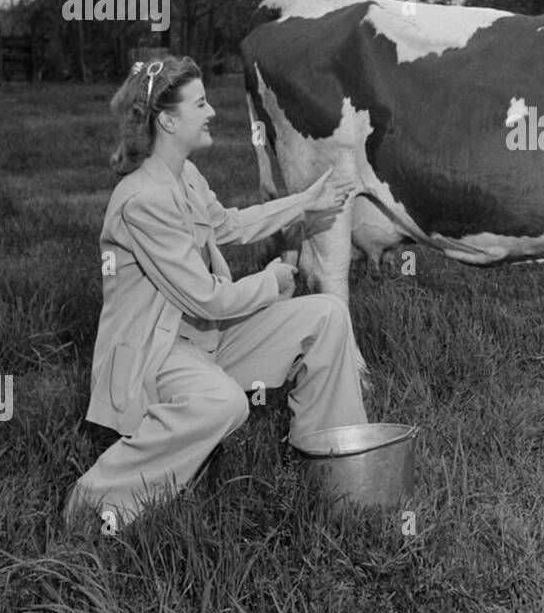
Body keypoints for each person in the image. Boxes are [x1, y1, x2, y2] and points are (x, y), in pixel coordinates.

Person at [65, 55, 369, 532]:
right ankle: (93, 505)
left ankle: (332, 467)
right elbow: (206, 298)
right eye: (200, 104)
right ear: (168, 121)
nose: (212, 112)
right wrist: (271, 282)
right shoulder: (142, 200)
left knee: (327, 315)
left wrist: (305, 202)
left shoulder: (183, 174)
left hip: (203, 337)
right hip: (156, 351)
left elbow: (228, 224)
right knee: (224, 403)